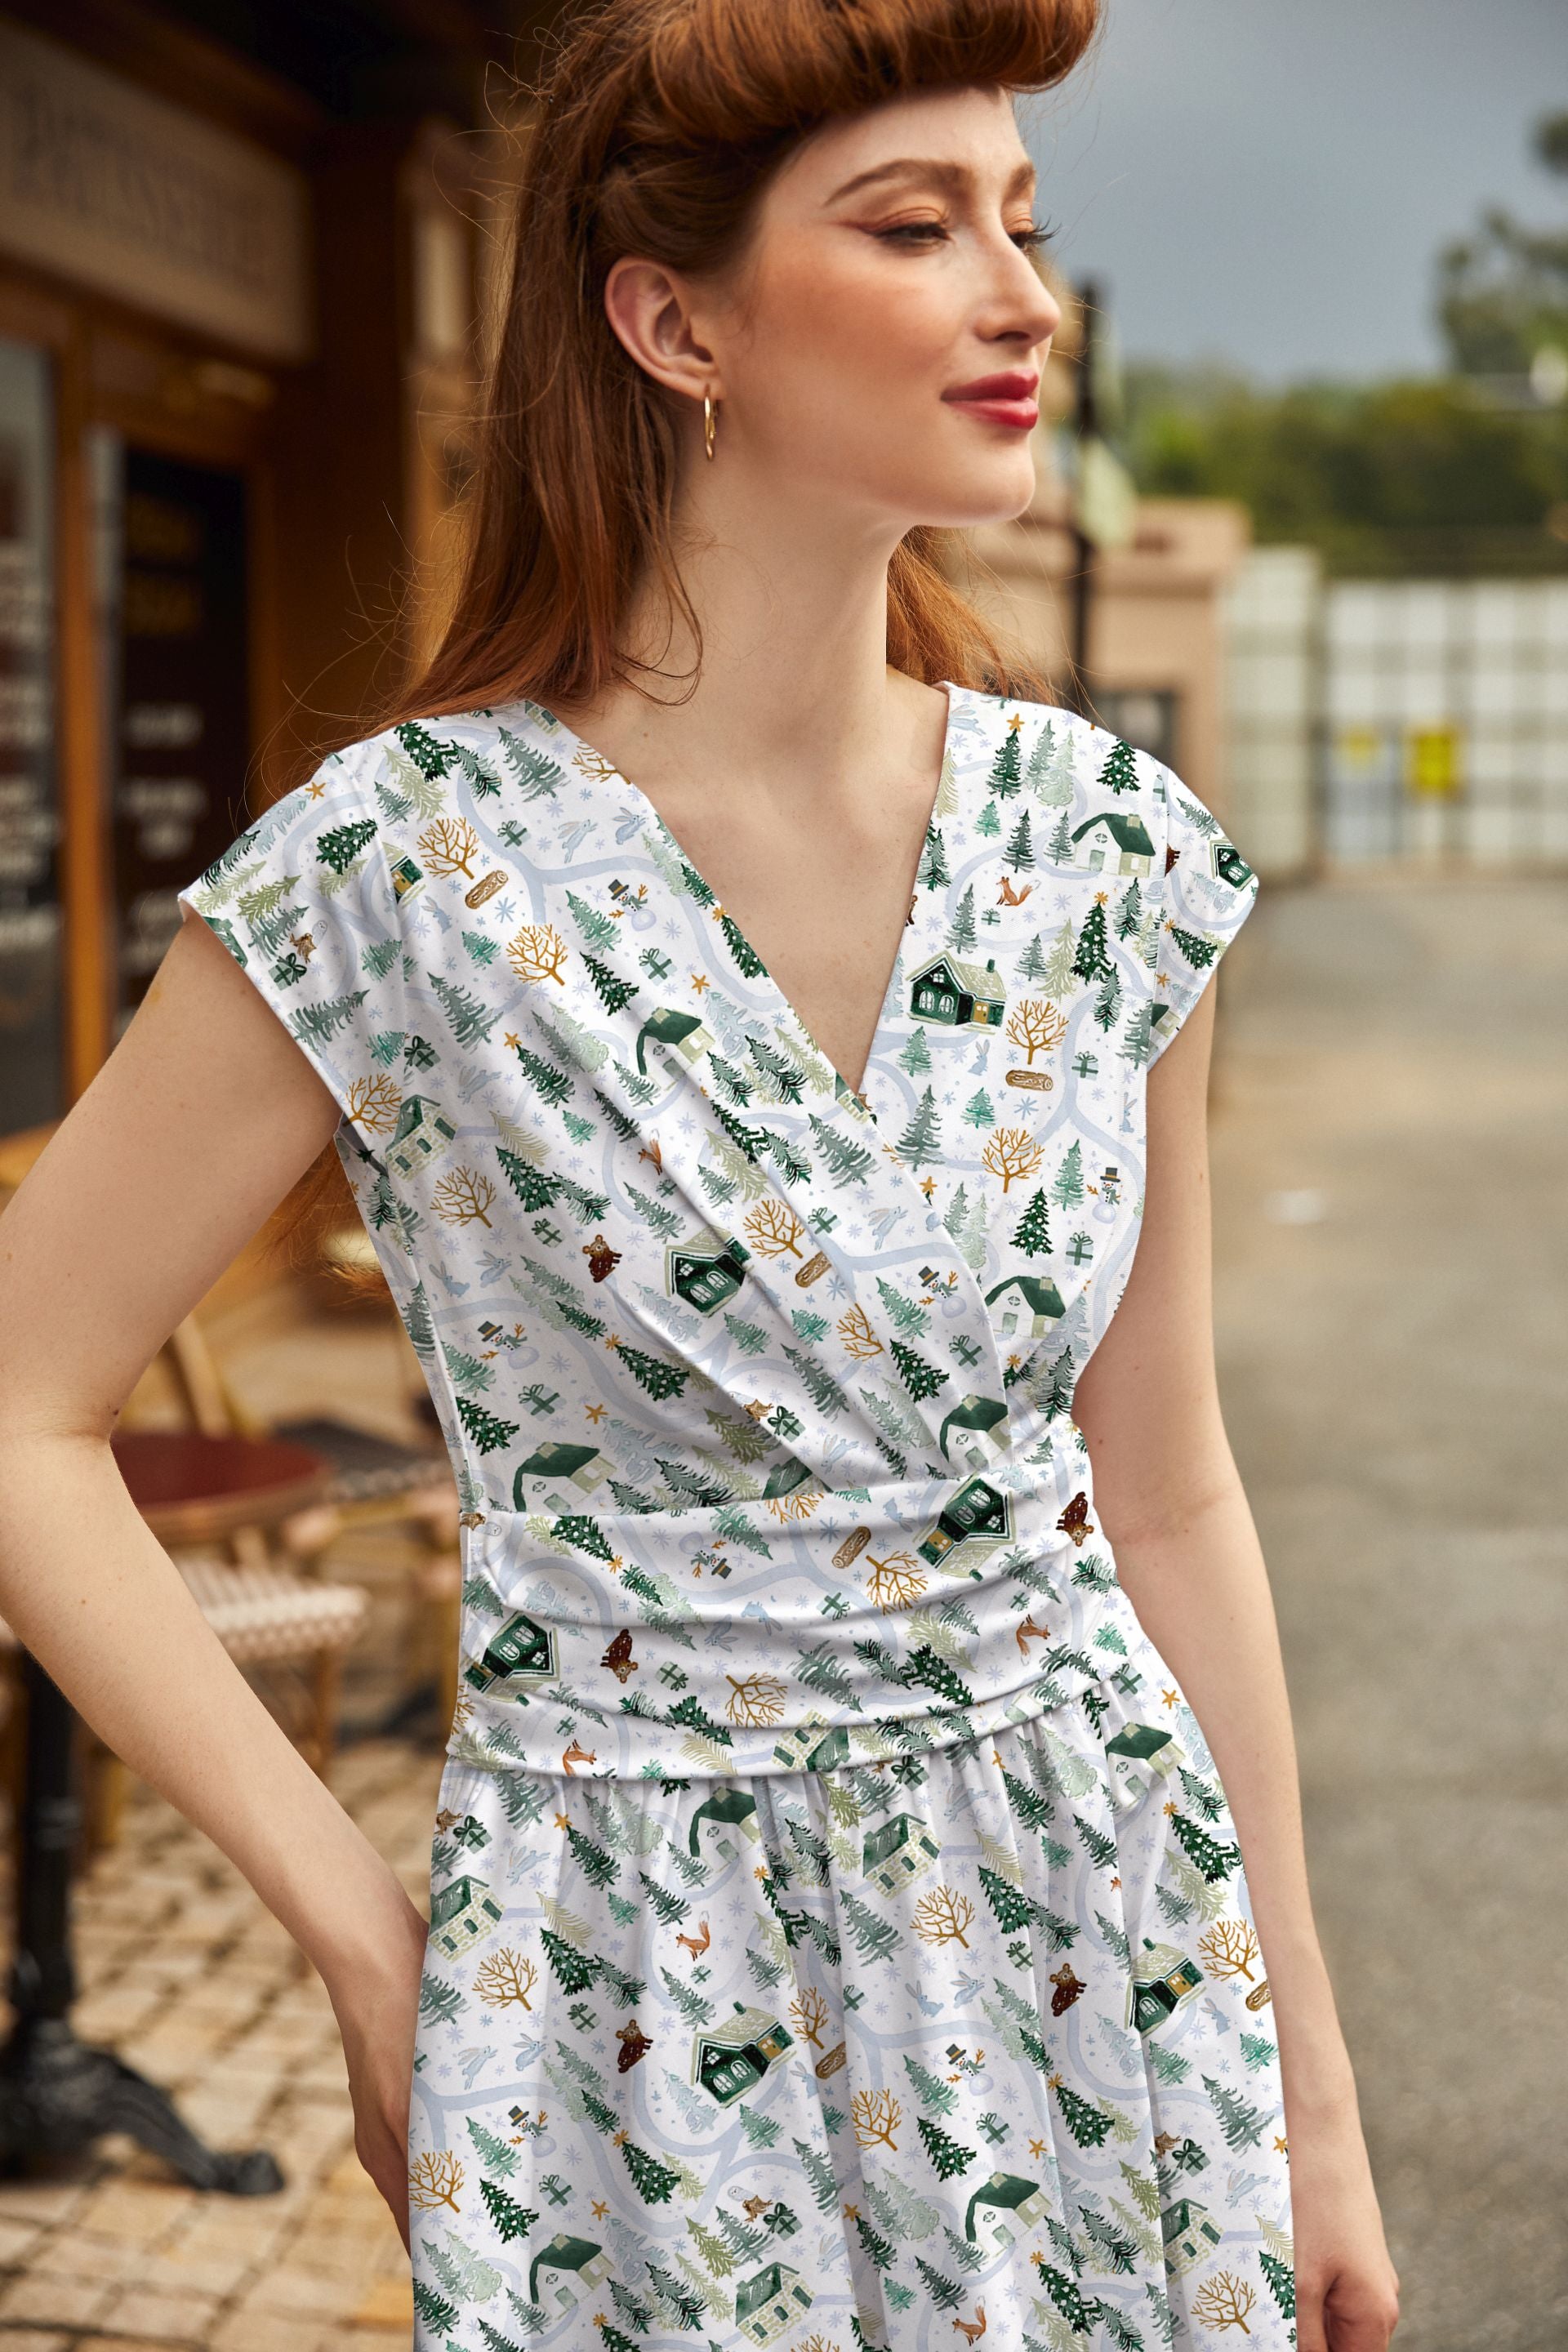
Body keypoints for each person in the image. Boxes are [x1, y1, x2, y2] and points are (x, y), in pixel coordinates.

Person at [0, 2, 1401, 2346]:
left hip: (1107, 1957)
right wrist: (368, 1938)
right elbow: (21, 1408)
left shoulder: (1102, 857)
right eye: (915, 227)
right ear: (674, 323)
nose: (1023, 297)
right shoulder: (408, 877)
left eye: (1023, 223)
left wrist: (1319, 2107)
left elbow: (1167, 1498)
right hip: (633, 2006)